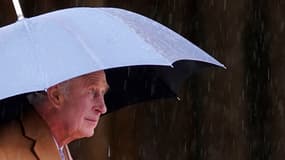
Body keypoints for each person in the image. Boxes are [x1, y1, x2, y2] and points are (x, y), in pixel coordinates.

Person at [0, 70, 109, 160]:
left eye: (103, 92)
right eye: (91, 91)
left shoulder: (60, 145)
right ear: (56, 96)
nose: (102, 108)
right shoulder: (6, 150)